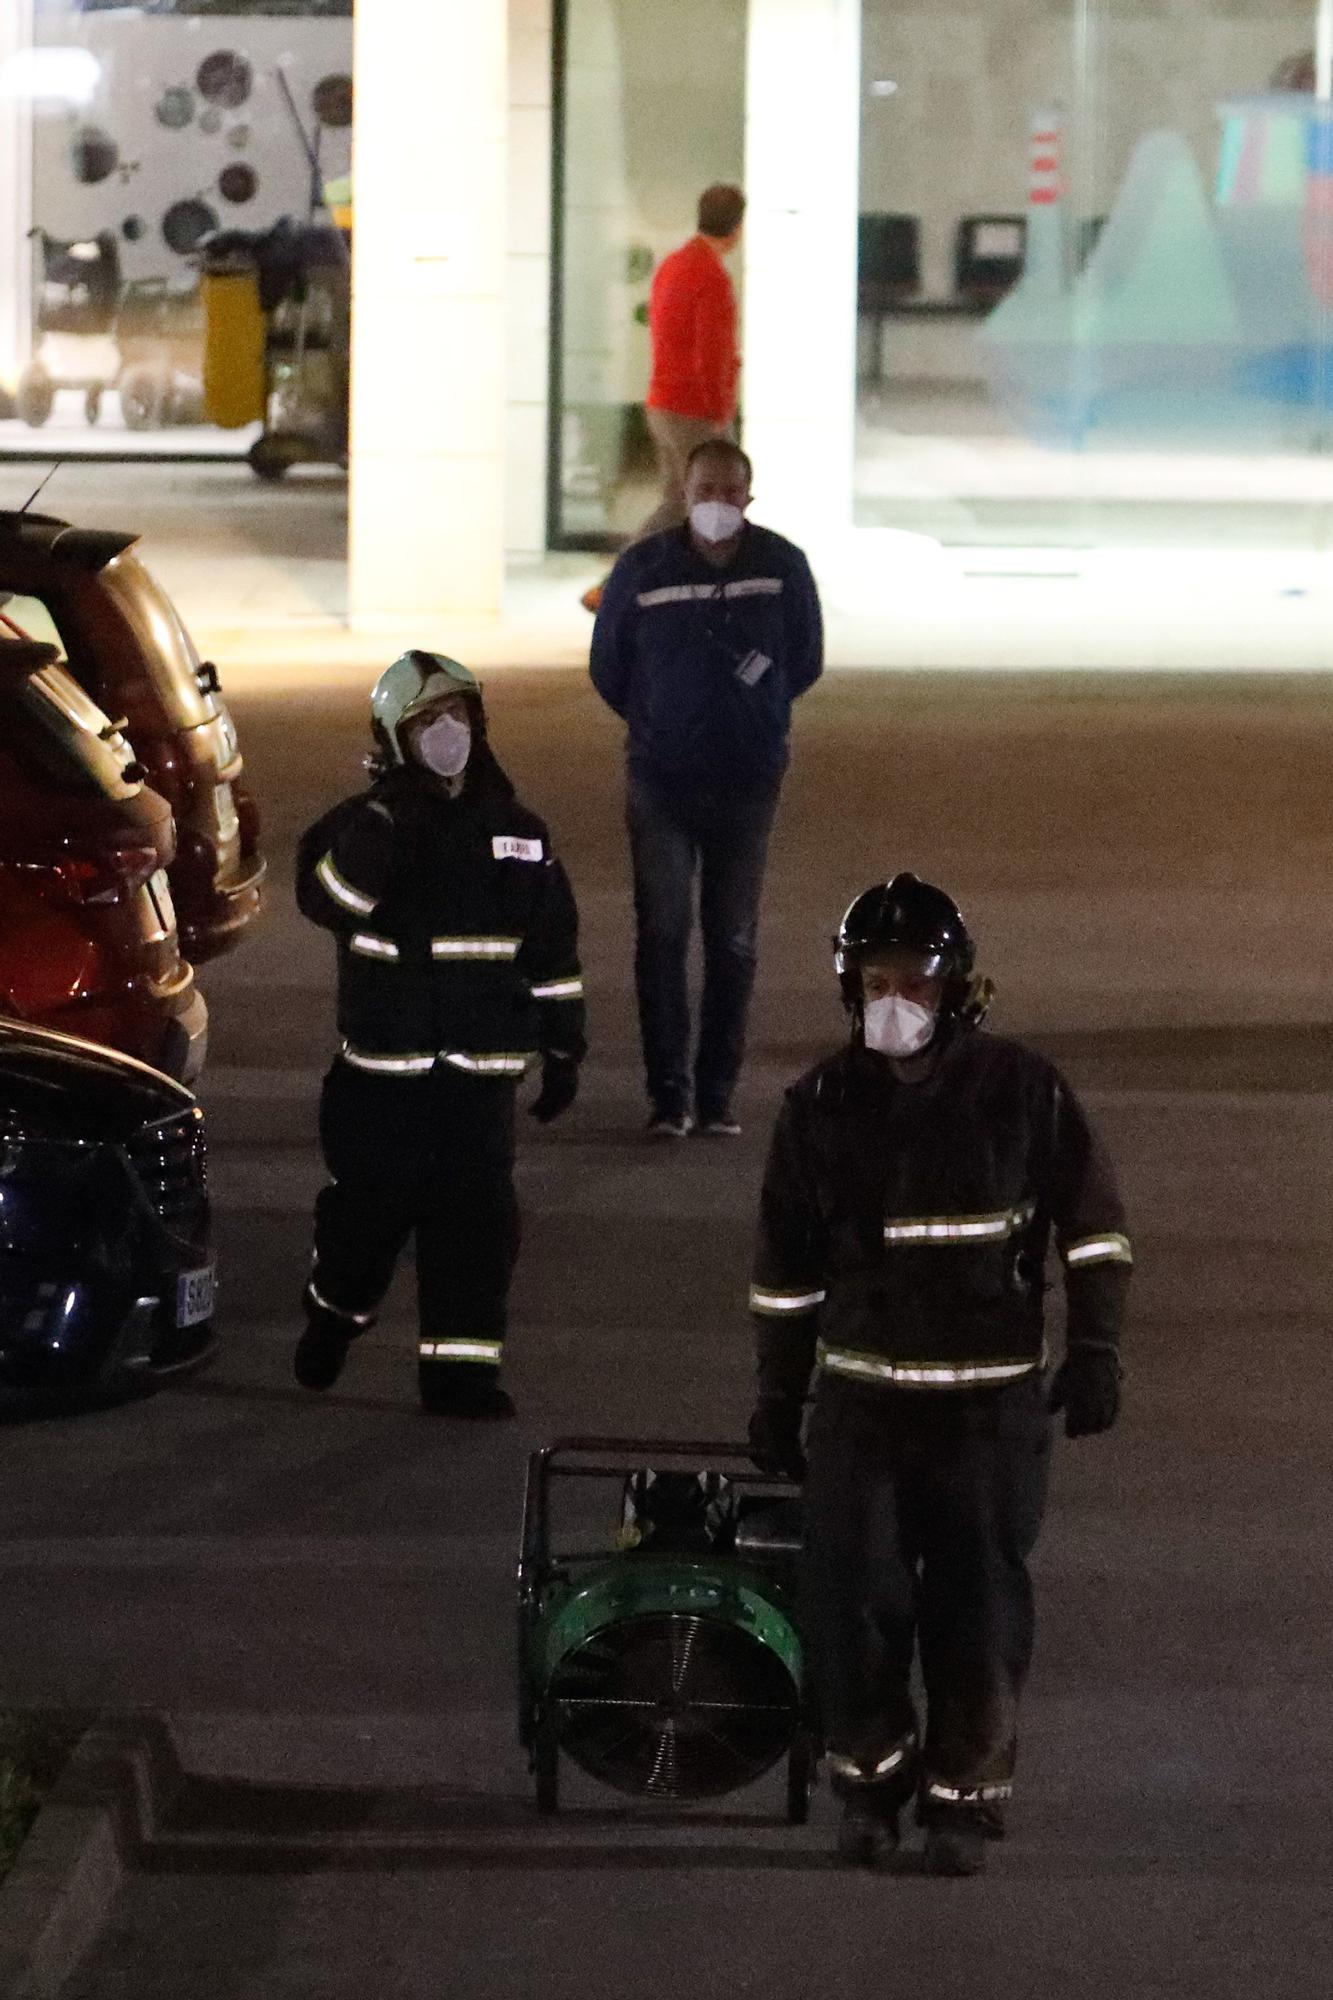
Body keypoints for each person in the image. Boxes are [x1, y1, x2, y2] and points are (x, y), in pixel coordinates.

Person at [746, 873, 1131, 1875]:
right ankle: (869, 1789)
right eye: (876, 979)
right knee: (851, 1607)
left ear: (954, 986)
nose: (894, 1001)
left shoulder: (1023, 1092)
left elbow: (1092, 1231)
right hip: (863, 1410)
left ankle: (962, 1805)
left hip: (984, 1414)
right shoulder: (818, 1108)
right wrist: (777, 1396)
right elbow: (783, 1276)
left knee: (978, 1611)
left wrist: (1096, 1350)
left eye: (913, 980)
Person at [293, 651, 585, 1419]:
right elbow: (324, 902)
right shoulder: (366, 827)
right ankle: (334, 1314)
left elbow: (551, 947)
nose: (448, 732)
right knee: (366, 1225)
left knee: (476, 1235)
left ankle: (460, 1380)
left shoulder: (518, 833)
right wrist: (380, 829)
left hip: (477, 1087)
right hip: (381, 1088)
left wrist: (563, 1046)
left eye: (458, 715)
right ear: (394, 736)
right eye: (428, 721)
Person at [589, 437, 823, 1138]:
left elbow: (803, 661)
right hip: (661, 780)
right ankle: (669, 1097)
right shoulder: (644, 569)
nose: (716, 505)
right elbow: (609, 668)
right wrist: (663, 717)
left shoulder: (780, 568)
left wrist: (755, 715)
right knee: (661, 934)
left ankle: (716, 1096)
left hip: (748, 779)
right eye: (704, 492)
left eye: (729, 492)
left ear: (747, 498)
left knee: (734, 940)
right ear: (682, 496)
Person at [581, 183, 745, 614]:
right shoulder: (710, 276)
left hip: (662, 401)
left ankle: (631, 582)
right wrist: (720, 411)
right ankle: (623, 583)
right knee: (702, 500)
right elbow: (712, 351)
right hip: (694, 408)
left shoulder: (674, 265)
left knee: (677, 498)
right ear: (737, 227)